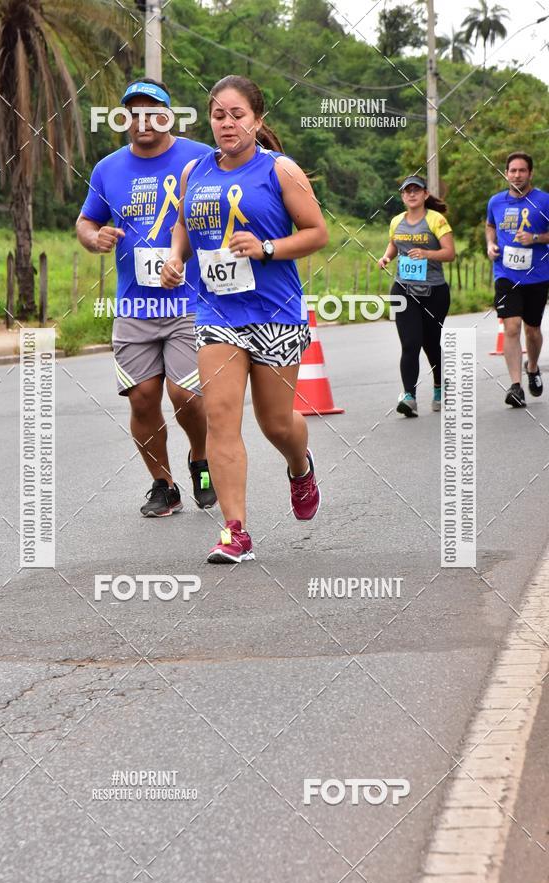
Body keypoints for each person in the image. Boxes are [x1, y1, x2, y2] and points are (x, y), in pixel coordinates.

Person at [161, 74, 328, 562]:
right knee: (220, 419)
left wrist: (267, 247)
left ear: (257, 120)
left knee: (276, 423)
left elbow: (316, 232)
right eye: (218, 115)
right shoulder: (195, 173)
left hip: (275, 311)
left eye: (237, 115)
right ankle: (235, 531)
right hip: (217, 313)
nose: (227, 124)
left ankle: (300, 465)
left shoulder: (280, 170)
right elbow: (182, 227)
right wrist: (176, 259)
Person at [77, 79, 217, 516]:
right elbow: (85, 222)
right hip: (134, 305)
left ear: (168, 115)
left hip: (190, 303)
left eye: (153, 111)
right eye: (133, 113)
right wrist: (94, 237)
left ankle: (200, 458)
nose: (143, 121)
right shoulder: (108, 169)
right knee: (141, 398)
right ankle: (163, 484)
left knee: (186, 395)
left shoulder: (199, 158)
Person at [377, 175, 455, 417]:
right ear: (402, 196)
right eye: (407, 191)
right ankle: (409, 396)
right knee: (410, 344)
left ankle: (440, 387)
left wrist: (426, 253)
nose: (411, 194)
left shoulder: (436, 220)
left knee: (431, 343)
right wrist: (387, 257)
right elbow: (394, 245)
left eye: (416, 190)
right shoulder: (397, 221)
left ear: (425, 195)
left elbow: (450, 253)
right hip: (404, 290)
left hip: (434, 291)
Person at [486, 152, 549, 408]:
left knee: (532, 330)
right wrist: (490, 244)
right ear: (506, 173)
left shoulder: (544, 201)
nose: (517, 175)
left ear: (530, 173)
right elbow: (490, 225)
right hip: (505, 274)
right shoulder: (496, 202)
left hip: (537, 276)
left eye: (522, 171)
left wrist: (535, 239)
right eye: (512, 171)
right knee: (511, 327)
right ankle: (515, 386)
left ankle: (532, 367)